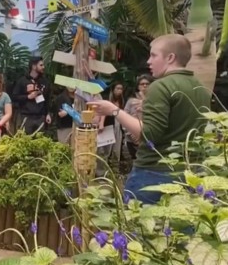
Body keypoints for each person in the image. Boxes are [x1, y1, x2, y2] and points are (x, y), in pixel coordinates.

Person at [87, 34, 210, 204]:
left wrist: (115, 110)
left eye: (153, 55)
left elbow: (150, 133)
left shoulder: (161, 86)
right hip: (189, 173)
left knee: (139, 228)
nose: (148, 61)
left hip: (153, 173)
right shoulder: (200, 87)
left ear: (170, 58)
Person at [12, 57, 52, 134]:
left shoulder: (45, 81)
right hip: (26, 116)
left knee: (40, 142)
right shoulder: (22, 81)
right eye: (41, 65)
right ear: (34, 66)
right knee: (25, 141)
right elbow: (14, 97)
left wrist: (48, 114)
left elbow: (48, 99)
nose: (43, 67)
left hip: (40, 117)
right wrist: (27, 97)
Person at [123, 75, 153, 159]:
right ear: (138, 86)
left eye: (147, 84)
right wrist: (132, 133)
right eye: (142, 84)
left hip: (148, 137)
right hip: (131, 137)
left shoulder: (154, 100)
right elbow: (124, 117)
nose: (144, 86)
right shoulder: (131, 101)